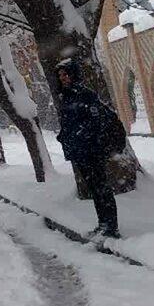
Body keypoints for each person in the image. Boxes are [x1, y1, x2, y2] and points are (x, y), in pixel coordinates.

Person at [55, 58, 126, 239]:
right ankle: (103, 224)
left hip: (92, 149)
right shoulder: (66, 96)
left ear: (74, 74)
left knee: (101, 187)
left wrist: (79, 134)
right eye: (61, 75)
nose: (63, 78)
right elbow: (70, 122)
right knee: (94, 189)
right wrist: (65, 136)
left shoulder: (86, 95)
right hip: (80, 150)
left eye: (66, 74)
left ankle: (111, 227)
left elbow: (94, 122)